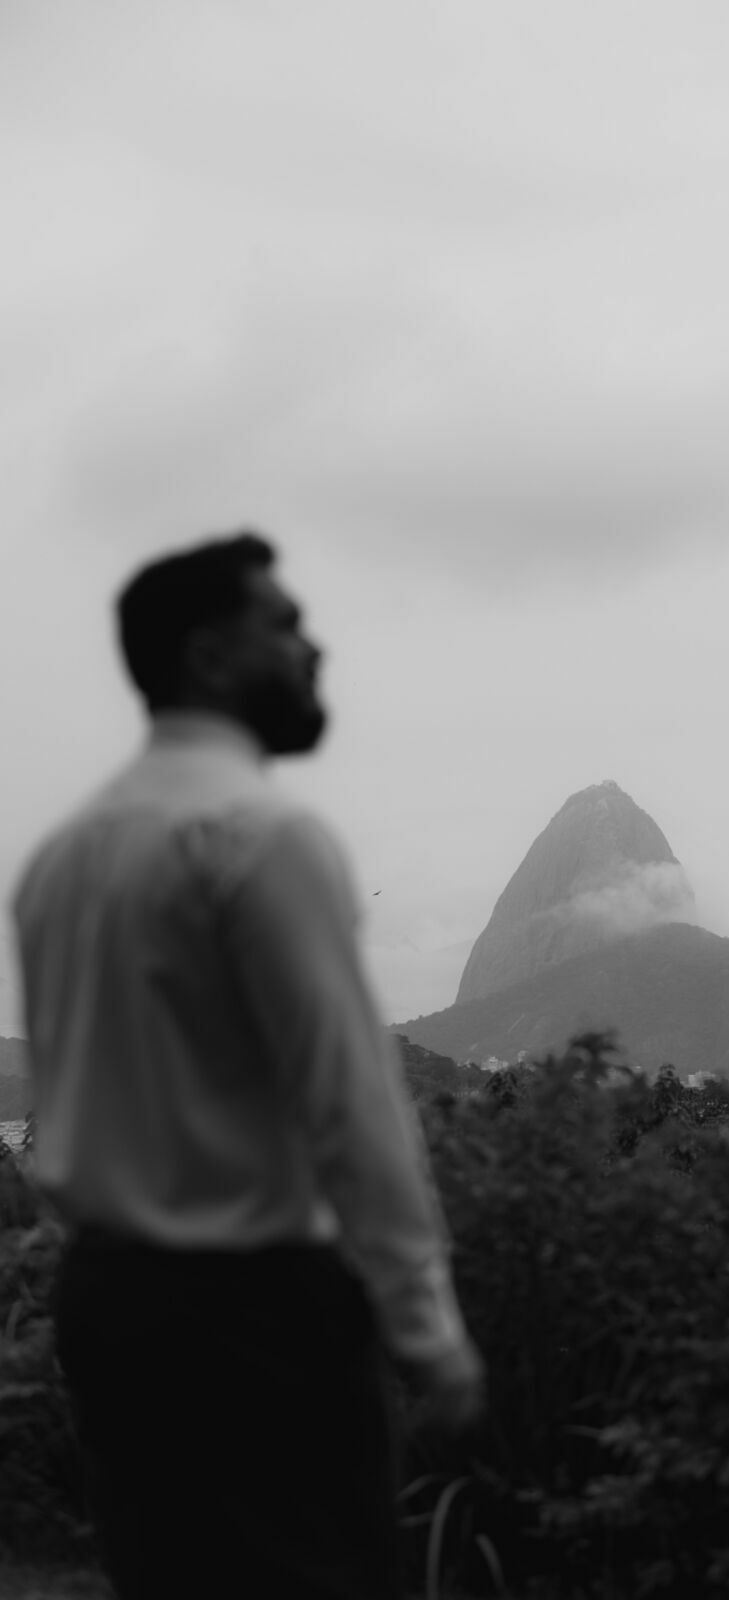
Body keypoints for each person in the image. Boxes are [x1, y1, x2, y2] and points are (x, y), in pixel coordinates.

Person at [11, 532, 486, 1600]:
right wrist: (426, 1324)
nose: (313, 648)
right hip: (259, 1320)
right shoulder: (259, 836)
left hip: (110, 1310)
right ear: (210, 654)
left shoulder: (59, 860)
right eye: (285, 623)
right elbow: (350, 1099)